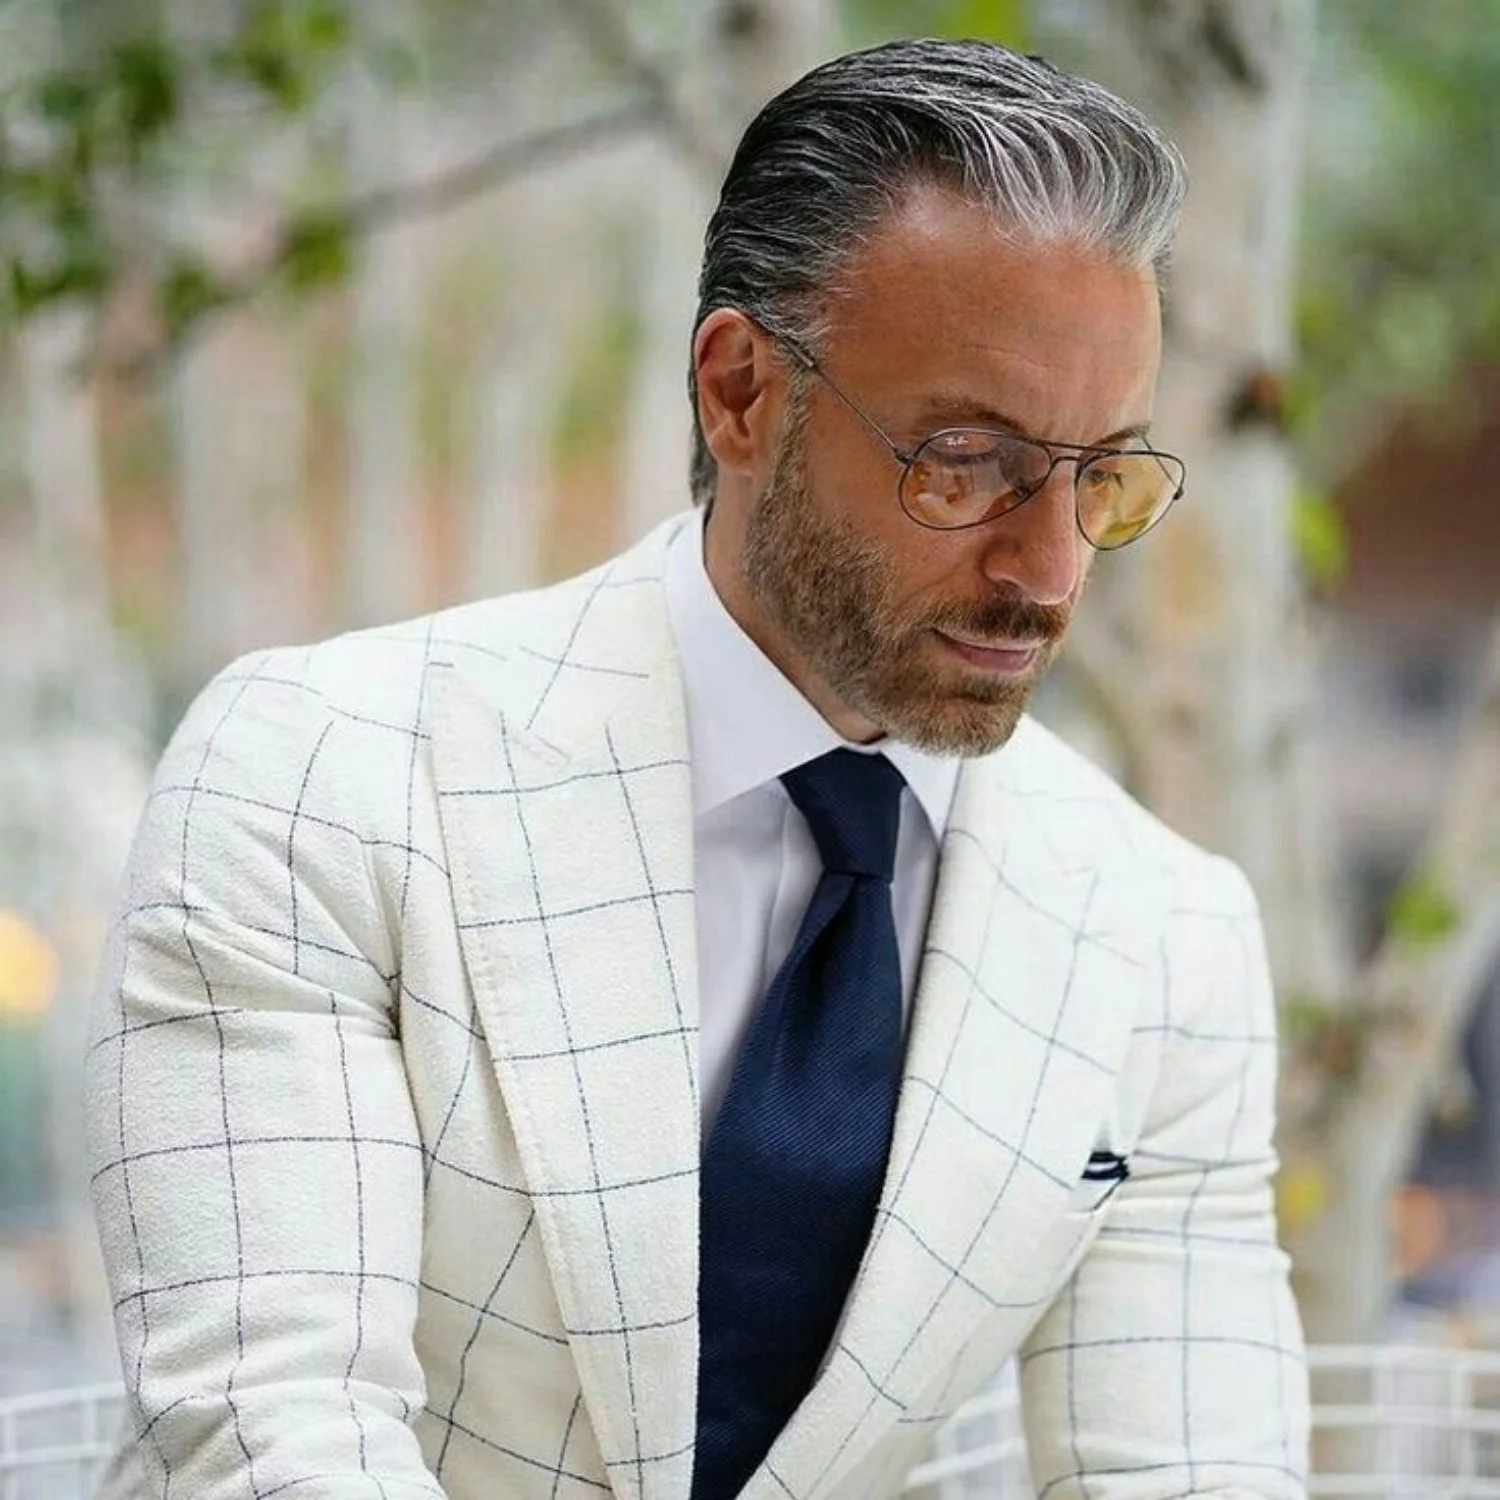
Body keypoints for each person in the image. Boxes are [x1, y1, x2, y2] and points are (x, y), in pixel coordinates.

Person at [85, 36, 1310, 1500]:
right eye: (966, 461)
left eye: (1102, 473)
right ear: (740, 392)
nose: (1047, 570)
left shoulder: (1165, 938)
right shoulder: (321, 777)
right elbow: (268, 1435)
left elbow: (1186, 1472)